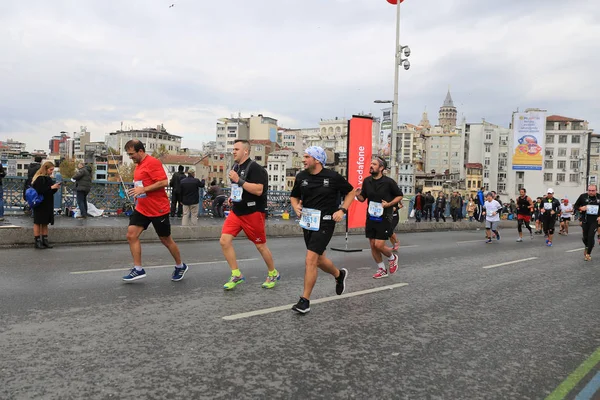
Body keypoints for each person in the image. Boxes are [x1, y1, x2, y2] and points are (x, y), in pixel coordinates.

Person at [290, 146, 354, 314]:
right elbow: (294, 196)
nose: (303, 159)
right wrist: (296, 206)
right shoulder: (301, 176)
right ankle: (339, 275)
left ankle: (305, 301)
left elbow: (351, 192)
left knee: (310, 259)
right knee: (318, 260)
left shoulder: (332, 177)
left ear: (317, 160)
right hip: (308, 222)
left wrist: (342, 210)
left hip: (326, 222)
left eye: (306, 156)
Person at [122, 140, 188, 282]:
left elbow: (164, 182)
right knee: (131, 235)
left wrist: (143, 189)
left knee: (166, 240)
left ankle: (180, 265)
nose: (130, 157)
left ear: (141, 151)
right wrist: (137, 193)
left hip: (158, 209)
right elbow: (142, 183)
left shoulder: (152, 162)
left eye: (132, 154)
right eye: (128, 154)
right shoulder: (138, 165)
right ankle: (138, 269)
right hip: (142, 208)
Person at [220, 139, 279, 290]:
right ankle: (236, 274)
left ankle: (273, 273)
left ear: (245, 151)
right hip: (237, 212)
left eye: (236, 149)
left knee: (260, 246)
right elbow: (238, 187)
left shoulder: (255, 168)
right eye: (233, 149)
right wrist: (233, 196)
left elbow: (259, 190)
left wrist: (238, 180)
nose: (233, 151)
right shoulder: (235, 166)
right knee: (224, 241)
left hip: (253, 212)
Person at [355, 157, 403, 279]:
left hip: (385, 216)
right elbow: (362, 198)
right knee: (372, 244)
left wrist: (388, 204)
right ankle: (381, 269)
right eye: (371, 163)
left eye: (374, 164)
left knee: (379, 245)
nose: (371, 166)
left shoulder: (389, 182)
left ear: (381, 168)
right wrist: (357, 194)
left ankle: (392, 257)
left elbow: (399, 196)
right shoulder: (367, 181)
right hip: (371, 216)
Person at [31, 161, 61, 249]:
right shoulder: (39, 178)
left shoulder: (47, 178)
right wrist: (51, 187)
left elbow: (49, 191)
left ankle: (44, 240)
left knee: (45, 222)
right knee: (38, 222)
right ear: (46, 169)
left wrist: (55, 188)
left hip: (47, 203)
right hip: (40, 203)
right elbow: (40, 190)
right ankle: (37, 241)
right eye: (51, 170)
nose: (52, 171)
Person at [573, 185, 600, 261]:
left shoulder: (599, 197)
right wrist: (580, 208)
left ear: (596, 190)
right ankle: (588, 246)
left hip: (595, 220)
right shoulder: (583, 196)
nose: (591, 192)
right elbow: (575, 206)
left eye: (593, 190)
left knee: (591, 236)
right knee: (585, 237)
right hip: (585, 220)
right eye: (589, 190)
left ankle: (588, 254)